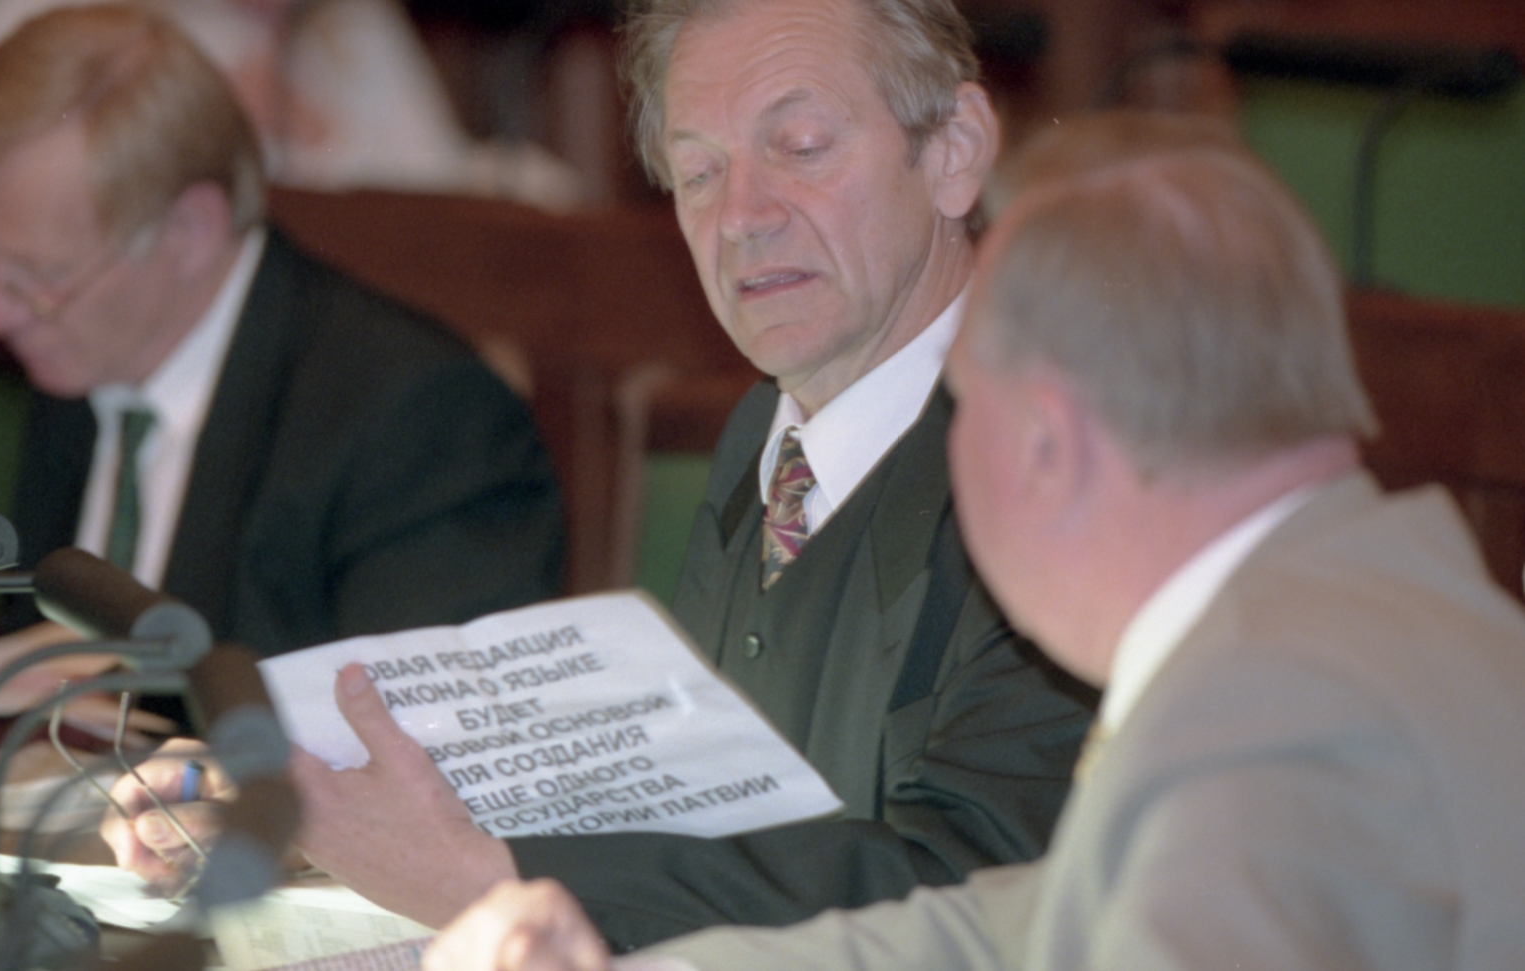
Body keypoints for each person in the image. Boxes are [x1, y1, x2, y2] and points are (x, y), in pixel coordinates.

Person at [421, 112, 1525, 971]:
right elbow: (1014, 928)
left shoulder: (1266, 719)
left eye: (959, 407)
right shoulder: (1385, 593)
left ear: (1044, 440)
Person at [101, 0, 1094, 949]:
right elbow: (712, 808)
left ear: (955, 151)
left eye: (800, 147)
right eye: (697, 172)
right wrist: (311, 797)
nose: (741, 216)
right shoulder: (767, 436)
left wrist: (497, 876)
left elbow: (979, 887)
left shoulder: (1073, 460)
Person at [0, 6, 564, 659]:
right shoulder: (80, 351)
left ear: (190, 232)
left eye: (39, 275)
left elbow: (405, 719)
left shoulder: (419, 425)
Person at [0, 0, 581, 328]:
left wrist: (537, 192)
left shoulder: (349, 20)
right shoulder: (70, 17)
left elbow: (436, 191)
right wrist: (52, 278)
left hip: (351, 375)